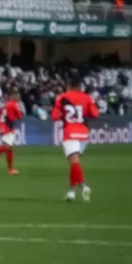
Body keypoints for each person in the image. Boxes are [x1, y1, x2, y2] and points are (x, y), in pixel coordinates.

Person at [51, 71, 99, 202]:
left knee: (74, 163)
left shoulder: (61, 98)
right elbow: (95, 114)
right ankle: (71, 192)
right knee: (74, 163)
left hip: (70, 133)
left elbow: (54, 116)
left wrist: (62, 113)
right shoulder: (87, 98)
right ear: (80, 85)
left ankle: (84, 186)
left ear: (69, 84)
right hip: (83, 134)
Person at [0, 89, 23, 175]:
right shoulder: (14, 104)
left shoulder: (5, 105)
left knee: (9, 149)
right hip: (7, 127)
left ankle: (10, 170)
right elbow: (20, 117)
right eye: (18, 96)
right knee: (7, 147)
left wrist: (1, 121)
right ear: (13, 96)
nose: (19, 98)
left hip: (2, 126)